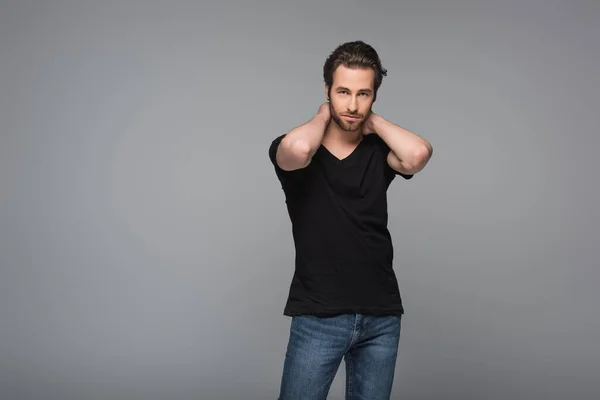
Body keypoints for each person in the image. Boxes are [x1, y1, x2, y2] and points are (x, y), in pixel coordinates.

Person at [268, 40, 433, 400]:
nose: (353, 104)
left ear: (374, 97)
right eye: (343, 92)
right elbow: (297, 150)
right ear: (327, 90)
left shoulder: (378, 152)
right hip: (318, 317)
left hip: (381, 316)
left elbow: (418, 154)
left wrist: (372, 121)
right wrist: (324, 114)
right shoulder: (300, 152)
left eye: (364, 94)